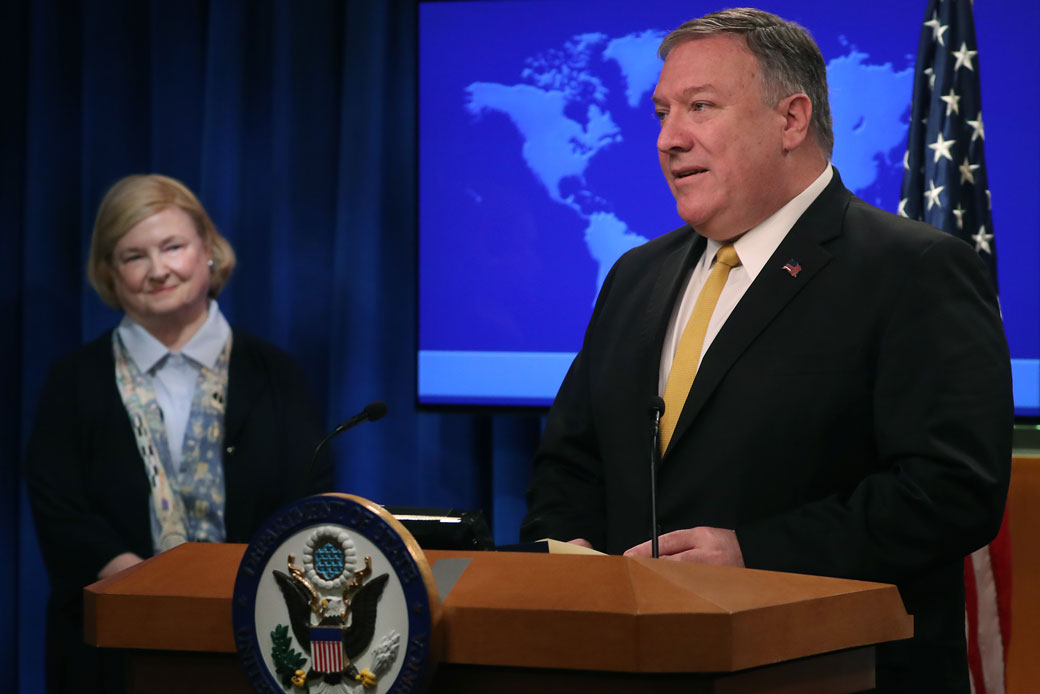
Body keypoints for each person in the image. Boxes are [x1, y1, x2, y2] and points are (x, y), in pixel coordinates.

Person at [521, 8, 1011, 692]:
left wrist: (754, 554)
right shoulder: (637, 275)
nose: (668, 139)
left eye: (700, 107)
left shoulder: (913, 270)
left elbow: (953, 490)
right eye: (662, 112)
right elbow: (571, 463)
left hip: (831, 668)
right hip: (630, 667)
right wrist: (567, 551)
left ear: (792, 119)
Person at [24, 174, 334, 693]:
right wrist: (145, 594)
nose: (159, 270)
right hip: (113, 652)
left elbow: (311, 495)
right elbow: (59, 507)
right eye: (134, 256)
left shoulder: (276, 373)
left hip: (262, 641)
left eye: (173, 247)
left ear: (208, 251)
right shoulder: (73, 379)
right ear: (109, 272)